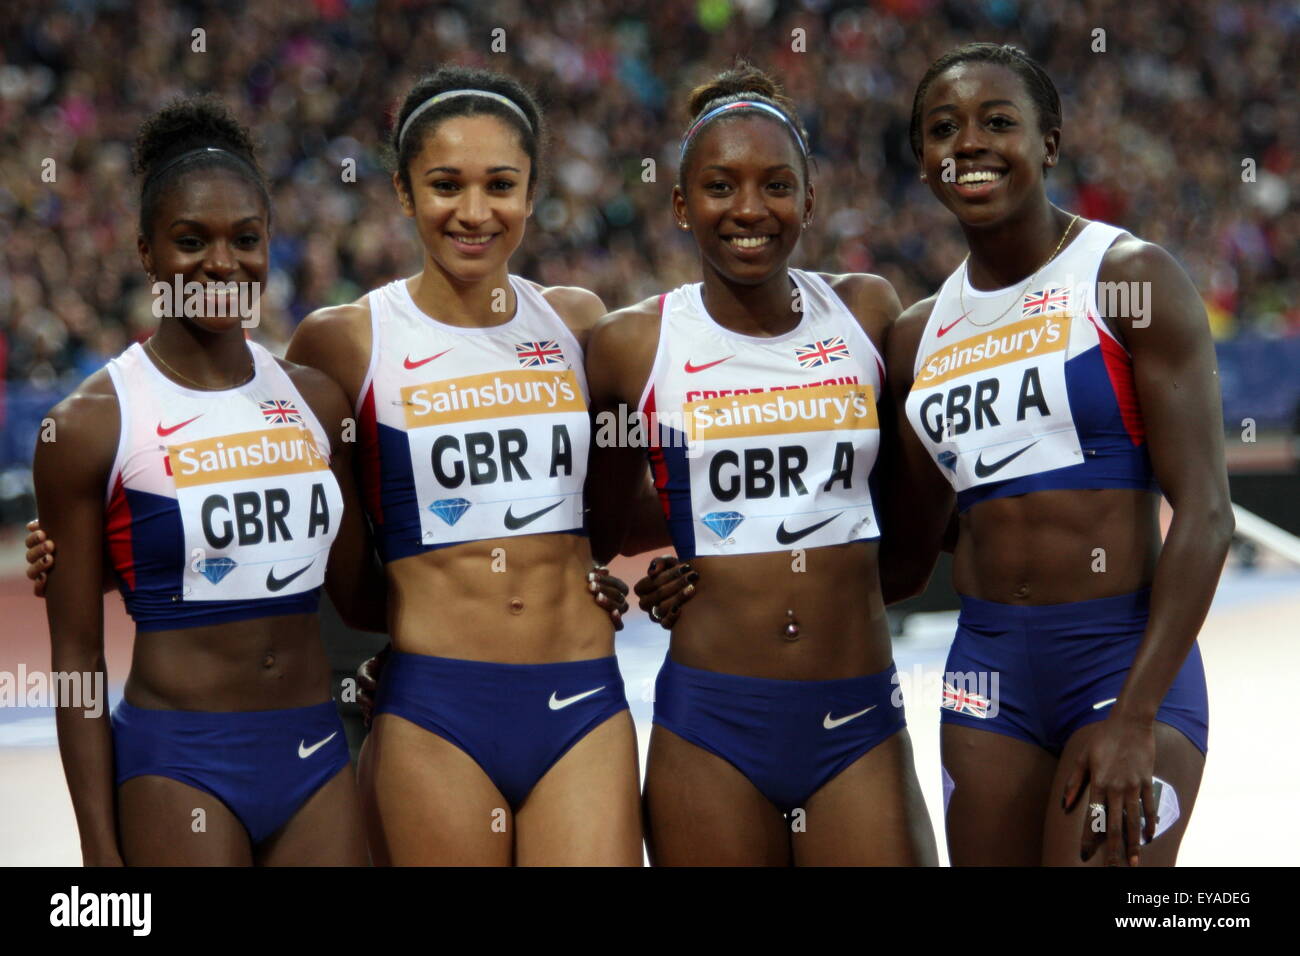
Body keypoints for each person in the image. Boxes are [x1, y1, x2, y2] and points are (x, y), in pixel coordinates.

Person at [285, 67, 646, 865]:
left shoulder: (579, 323)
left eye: (501, 186)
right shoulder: (343, 341)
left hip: (582, 697)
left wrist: (706, 565)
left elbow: (625, 506)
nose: (475, 213)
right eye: (446, 184)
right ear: (404, 191)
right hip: (433, 710)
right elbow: (309, 532)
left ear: (532, 192)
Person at [585, 63, 938, 866]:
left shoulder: (866, 312)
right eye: (720, 186)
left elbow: (905, 525)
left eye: (777, 185)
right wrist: (691, 558)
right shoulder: (632, 345)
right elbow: (599, 529)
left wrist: (823, 588)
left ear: (809, 201)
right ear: (681, 204)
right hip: (710, 724)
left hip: (857, 712)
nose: (749, 209)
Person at [894, 43, 1230, 866]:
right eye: (944, 129)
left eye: (997, 122)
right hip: (986, 671)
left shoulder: (1127, 279)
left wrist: (1137, 715)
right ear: (924, 161)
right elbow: (912, 545)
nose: (970, 144)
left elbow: (1207, 513)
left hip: (1121, 657)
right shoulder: (916, 336)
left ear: (1049, 144)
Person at [32, 96, 382, 866]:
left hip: (314, 752)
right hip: (178, 762)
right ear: (146, 252)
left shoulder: (318, 402)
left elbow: (362, 596)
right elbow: (77, 660)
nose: (222, 263)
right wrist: (98, 850)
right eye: (191, 240)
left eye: (245, 239)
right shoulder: (89, 425)